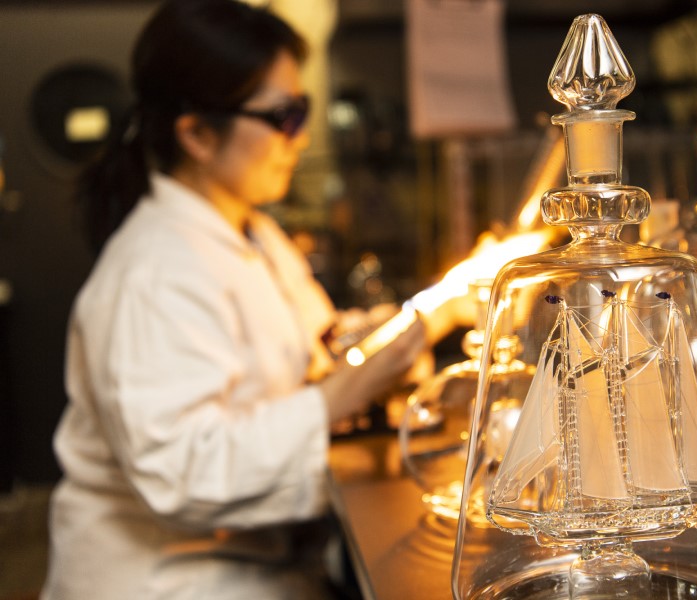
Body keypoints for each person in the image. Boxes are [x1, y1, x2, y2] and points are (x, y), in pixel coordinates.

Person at [41, 1, 436, 598]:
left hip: (258, 562)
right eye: (284, 117)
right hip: (171, 580)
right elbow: (183, 473)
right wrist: (346, 391)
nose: (301, 139)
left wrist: (370, 340)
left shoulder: (253, 233)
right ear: (197, 134)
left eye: (302, 111)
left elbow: (309, 346)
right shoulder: (152, 272)